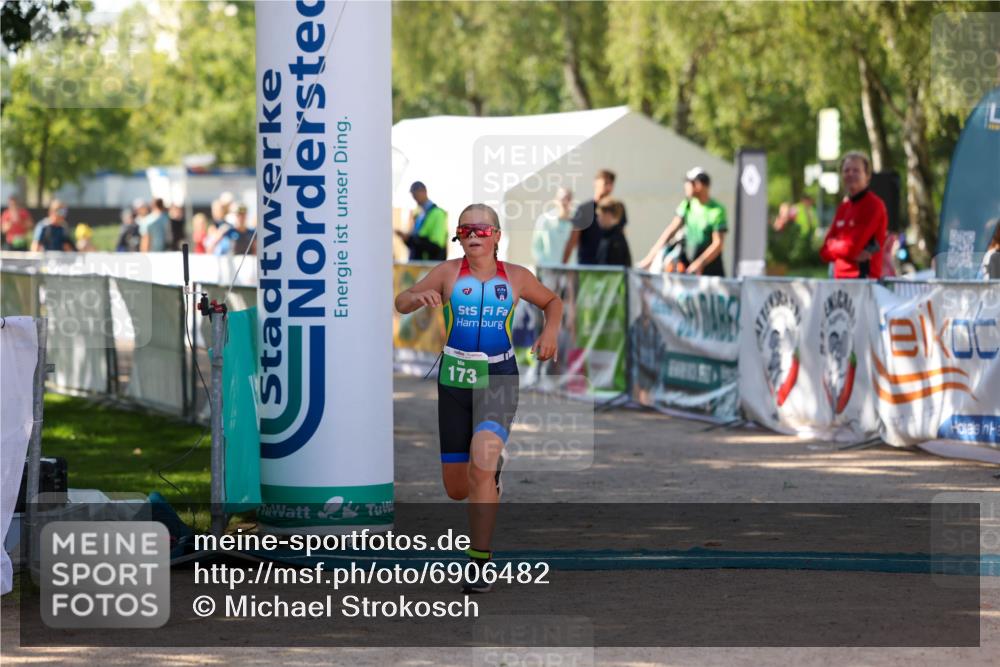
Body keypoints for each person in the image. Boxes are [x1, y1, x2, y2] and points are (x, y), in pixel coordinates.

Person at [394, 203, 562, 593]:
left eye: (483, 230)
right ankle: (489, 474)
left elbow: (553, 302)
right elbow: (401, 301)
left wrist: (549, 332)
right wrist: (417, 298)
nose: (474, 235)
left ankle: (479, 562)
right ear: (458, 234)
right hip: (454, 379)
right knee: (457, 488)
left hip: (498, 377)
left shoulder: (517, 277)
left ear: (497, 236)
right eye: (466, 229)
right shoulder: (447, 272)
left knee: (481, 465)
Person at [639, 167, 728, 276]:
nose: (686, 187)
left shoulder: (717, 210)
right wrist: (650, 258)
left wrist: (699, 264)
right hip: (687, 267)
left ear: (699, 184)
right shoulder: (687, 205)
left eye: (688, 183)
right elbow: (670, 231)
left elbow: (718, 243)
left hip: (710, 272)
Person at [819, 151, 888, 279]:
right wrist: (846, 250)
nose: (850, 174)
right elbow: (824, 251)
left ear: (867, 175)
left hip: (863, 282)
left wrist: (834, 245)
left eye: (856, 170)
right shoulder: (843, 207)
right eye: (846, 170)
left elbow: (852, 247)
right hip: (839, 282)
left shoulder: (874, 205)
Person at [562, 169, 627, 265]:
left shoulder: (618, 208)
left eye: (611, 183)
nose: (608, 187)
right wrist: (563, 266)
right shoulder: (585, 209)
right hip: (588, 267)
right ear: (596, 182)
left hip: (611, 269)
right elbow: (573, 240)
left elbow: (622, 236)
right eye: (605, 183)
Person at [397, 181, 447, 261]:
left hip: (429, 265)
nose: (415, 199)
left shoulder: (438, 213)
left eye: (416, 195)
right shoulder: (419, 214)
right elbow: (415, 243)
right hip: (418, 263)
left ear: (423, 191)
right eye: (413, 196)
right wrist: (407, 239)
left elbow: (437, 246)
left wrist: (412, 239)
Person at [531, 187, 574, 265]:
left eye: (568, 198)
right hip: (549, 271)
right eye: (562, 199)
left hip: (570, 271)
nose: (565, 202)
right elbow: (536, 247)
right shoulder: (544, 220)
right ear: (555, 200)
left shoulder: (577, 222)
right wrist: (544, 264)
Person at [594, 197, 632, 266]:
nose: (598, 219)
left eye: (600, 215)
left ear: (608, 214)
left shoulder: (615, 241)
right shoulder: (607, 236)